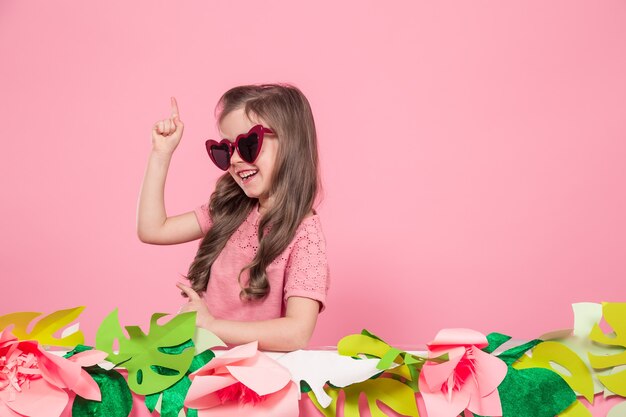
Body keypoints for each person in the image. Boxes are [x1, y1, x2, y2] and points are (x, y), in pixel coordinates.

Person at [137, 84, 330, 352]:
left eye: (249, 144)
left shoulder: (304, 236)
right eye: (226, 149)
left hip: (258, 380)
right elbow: (152, 230)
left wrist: (212, 325)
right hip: (204, 366)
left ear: (291, 143)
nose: (236, 160)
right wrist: (161, 154)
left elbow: (297, 333)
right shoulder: (230, 209)